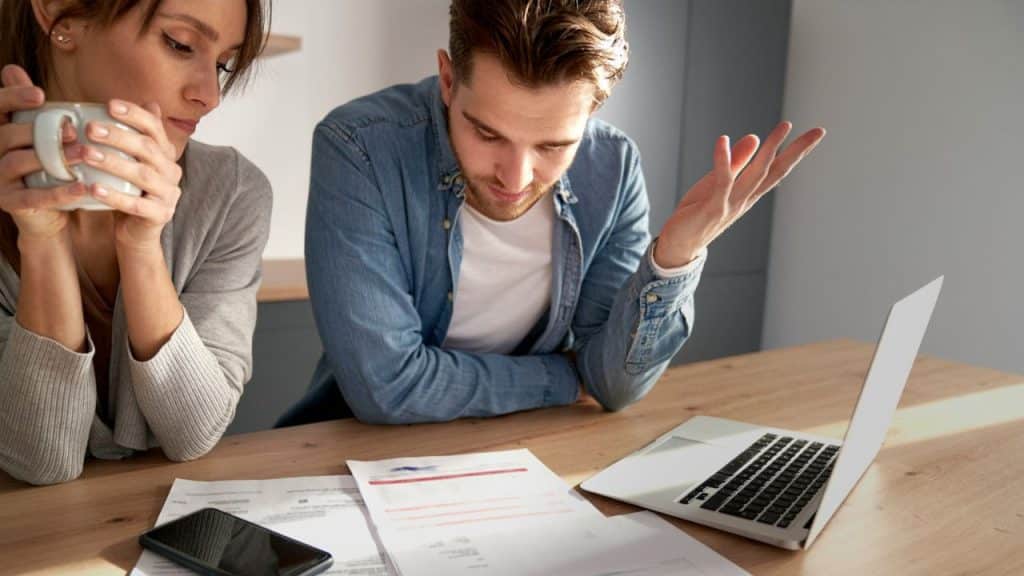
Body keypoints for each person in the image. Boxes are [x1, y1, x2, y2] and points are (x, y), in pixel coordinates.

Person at [280, 0, 824, 426]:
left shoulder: (612, 168)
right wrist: (562, 380)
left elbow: (613, 386)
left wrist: (675, 259)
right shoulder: (359, 146)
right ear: (448, 81)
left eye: (553, 146)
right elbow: (386, 388)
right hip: (355, 457)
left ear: (591, 114)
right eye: (487, 133)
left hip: (527, 449)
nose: (515, 180)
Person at [0, 0, 272, 485]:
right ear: (61, 15)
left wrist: (143, 248)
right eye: (180, 44)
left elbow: (193, 433)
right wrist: (42, 241)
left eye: (223, 63)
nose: (211, 95)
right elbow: (40, 459)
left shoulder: (231, 194)